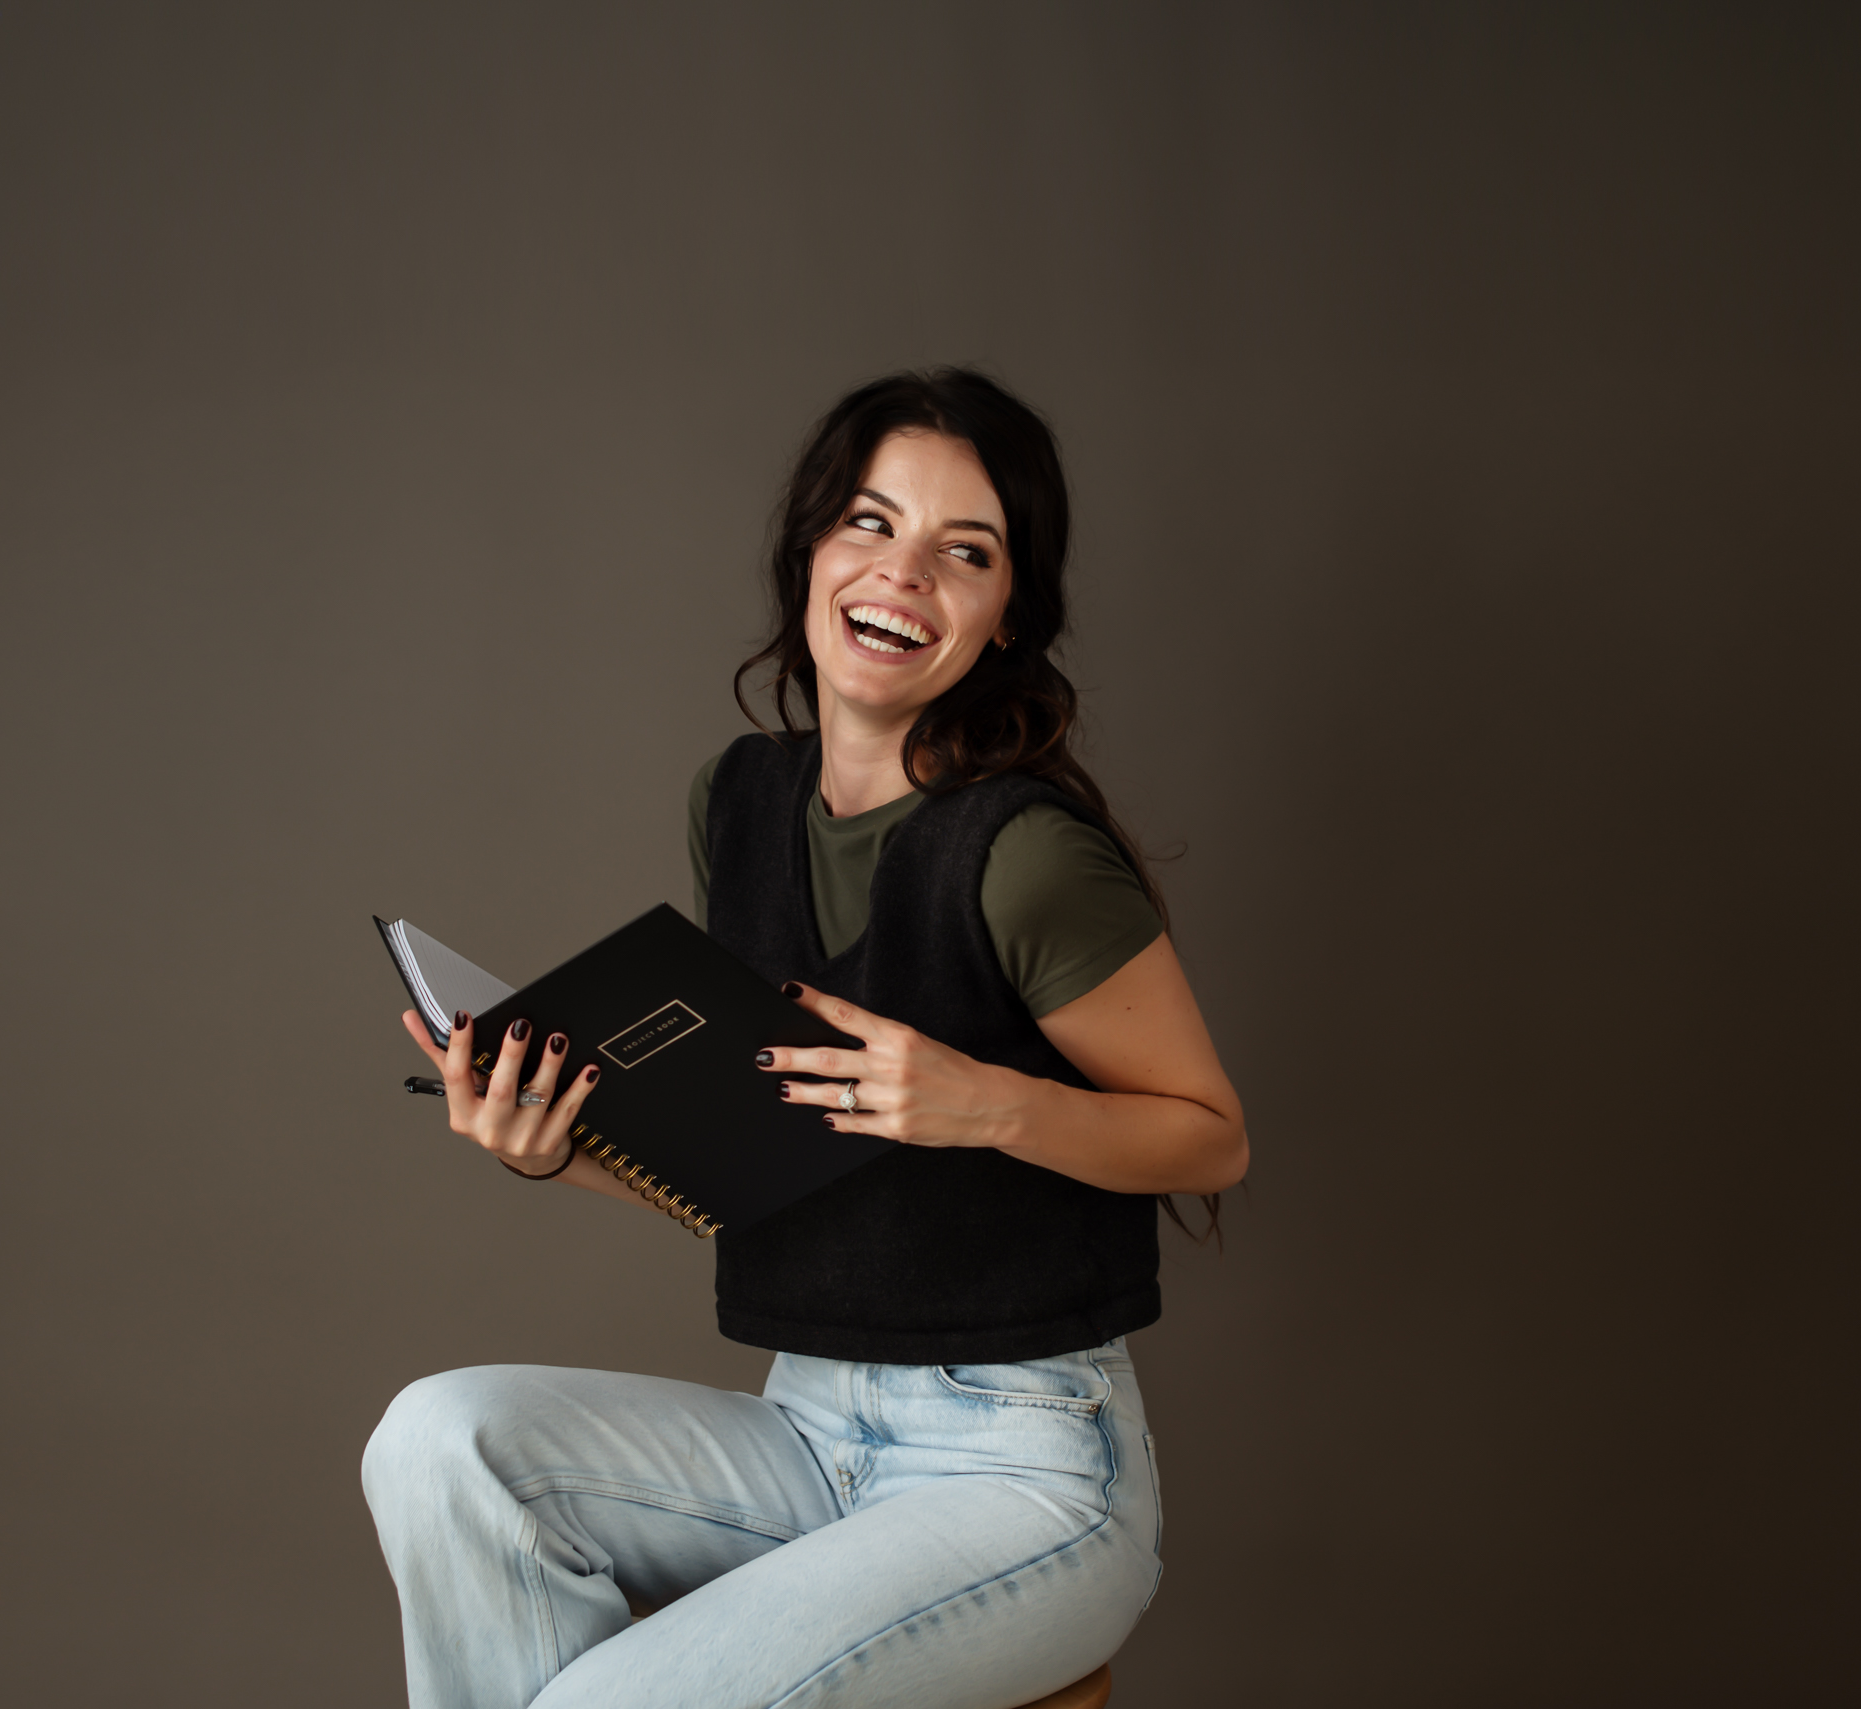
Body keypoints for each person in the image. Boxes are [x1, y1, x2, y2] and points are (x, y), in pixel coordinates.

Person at [363, 369, 1249, 1709]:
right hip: (810, 1428)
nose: (905, 573)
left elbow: (1213, 1138)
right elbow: (762, 1166)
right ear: (811, 552)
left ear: (1010, 616)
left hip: (1026, 1469)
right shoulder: (739, 804)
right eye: (869, 523)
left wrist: (984, 1102)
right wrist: (547, 1149)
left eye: (967, 551)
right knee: (437, 1438)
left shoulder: (1026, 856)